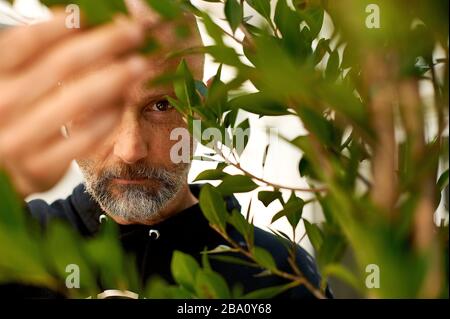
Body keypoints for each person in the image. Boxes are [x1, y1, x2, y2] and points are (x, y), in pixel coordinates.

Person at [0, 0, 331, 298]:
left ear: (203, 108)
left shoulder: (282, 276)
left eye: (161, 105)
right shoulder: (15, 247)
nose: (131, 149)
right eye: (103, 106)